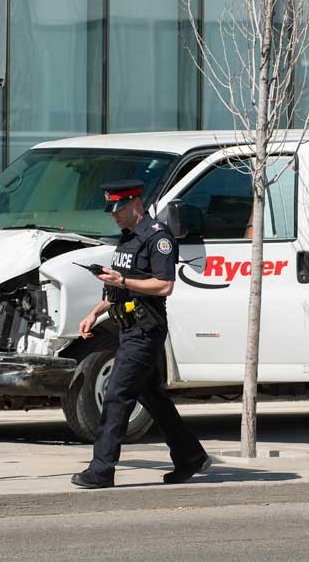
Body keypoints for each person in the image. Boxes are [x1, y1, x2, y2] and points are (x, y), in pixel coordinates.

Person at [71, 179, 210, 489]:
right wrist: (95, 312)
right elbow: (119, 284)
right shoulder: (129, 239)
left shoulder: (158, 239)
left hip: (145, 331)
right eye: (112, 210)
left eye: (119, 208)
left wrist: (122, 282)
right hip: (127, 326)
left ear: (136, 204)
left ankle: (101, 468)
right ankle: (190, 457)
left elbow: (164, 285)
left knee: (116, 396)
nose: (114, 215)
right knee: (154, 399)